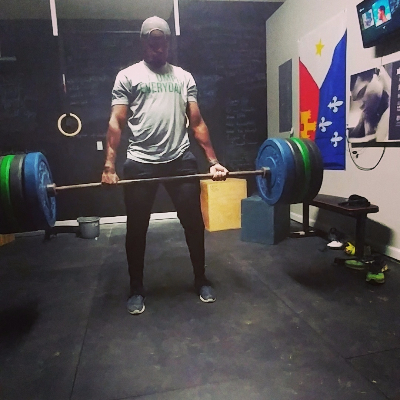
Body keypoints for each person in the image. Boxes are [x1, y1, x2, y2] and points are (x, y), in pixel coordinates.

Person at [101, 16, 228, 315]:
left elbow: (196, 122)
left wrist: (213, 161)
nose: (158, 49)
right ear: (143, 42)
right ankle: (136, 288)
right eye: (152, 44)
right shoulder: (128, 76)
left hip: (179, 159)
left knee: (194, 224)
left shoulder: (184, 78)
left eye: (162, 44)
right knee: (137, 229)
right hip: (140, 162)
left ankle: (201, 279)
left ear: (169, 43)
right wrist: (109, 166)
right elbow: (116, 122)